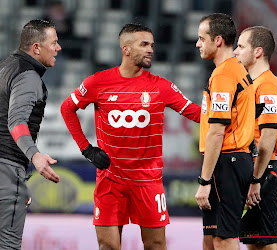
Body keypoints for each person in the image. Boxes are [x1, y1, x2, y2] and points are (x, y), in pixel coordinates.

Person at [60, 23, 201, 249]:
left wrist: (232, 113)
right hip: (110, 179)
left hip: (148, 181)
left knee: (156, 245)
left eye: (152, 45)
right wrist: (86, 149)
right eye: (144, 44)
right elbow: (67, 108)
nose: (151, 49)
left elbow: (196, 113)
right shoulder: (98, 82)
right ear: (125, 49)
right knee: (108, 246)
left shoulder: (161, 87)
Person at [194, 13, 255, 249]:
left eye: (202, 38)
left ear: (217, 40)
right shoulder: (235, 70)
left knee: (223, 238)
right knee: (210, 239)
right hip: (233, 160)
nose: (198, 44)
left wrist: (205, 180)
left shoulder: (224, 75)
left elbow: (218, 131)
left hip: (226, 162)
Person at [0, 19, 61, 249]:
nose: (58, 48)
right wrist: (35, 155)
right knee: (7, 244)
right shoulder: (28, 75)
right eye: (54, 42)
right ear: (36, 48)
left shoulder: (4, 67)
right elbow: (16, 121)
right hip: (6, 170)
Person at [234, 26, 277, 250]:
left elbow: (268, 138)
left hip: (263, 173)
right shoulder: (251, 84)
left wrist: (256, 179)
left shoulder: (267, 85)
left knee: (267, 245)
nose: (235, 51)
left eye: (241, 46)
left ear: (257, 52)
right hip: (252, 173)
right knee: (254, 245)